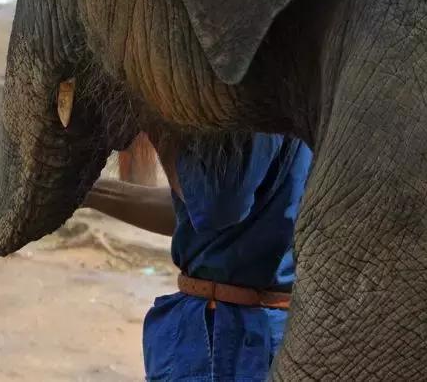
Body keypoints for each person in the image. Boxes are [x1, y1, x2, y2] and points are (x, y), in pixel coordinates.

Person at [82, 132, 312, 381]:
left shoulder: (258, 108)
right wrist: (87, 192)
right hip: (241, 328)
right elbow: (195, 214)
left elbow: (218, 207)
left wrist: (155, 124)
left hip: (228, 337)